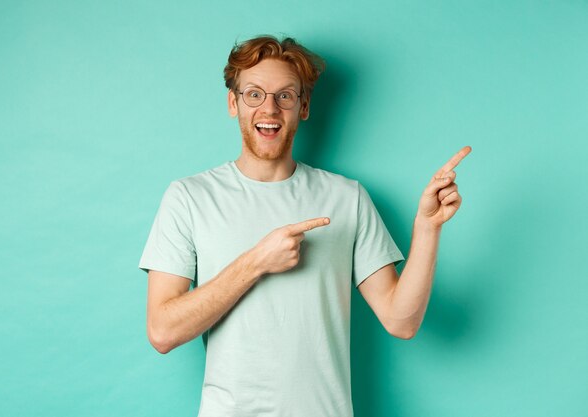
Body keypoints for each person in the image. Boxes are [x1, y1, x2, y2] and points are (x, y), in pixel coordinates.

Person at [139, 35, 471, 417]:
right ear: (233, 103)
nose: (270, 108)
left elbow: (402, 321)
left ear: (304, 107)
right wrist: (256, 262)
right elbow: (162, 331)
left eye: (285, 96)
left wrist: (427, 229)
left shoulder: (347, 198)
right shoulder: (189, 197)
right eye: (254, 94)